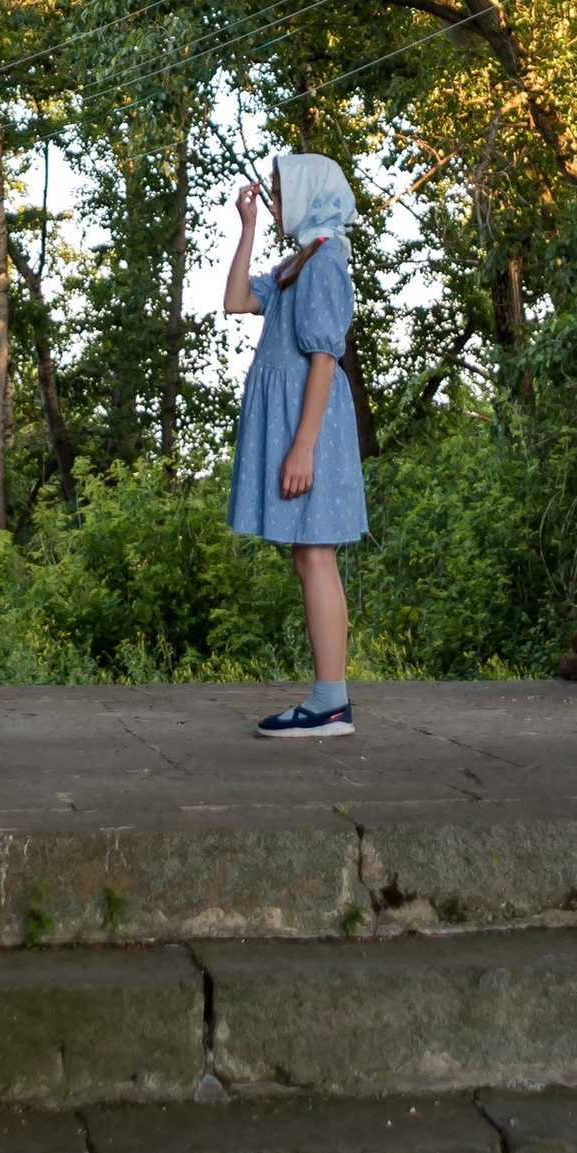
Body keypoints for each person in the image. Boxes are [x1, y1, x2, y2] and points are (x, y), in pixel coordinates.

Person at [225, 150, 368, 737]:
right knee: (309, 555)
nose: (276, 201)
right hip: (297, 424)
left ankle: (330, 704)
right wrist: (249, 228)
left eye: (282, 193)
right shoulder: (298, 261)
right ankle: (328, 700)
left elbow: (324, 357)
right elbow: (236, 300)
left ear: (312, 193)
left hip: (311, 428)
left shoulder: (325, 261)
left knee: (315, 555)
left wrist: (303, 445)